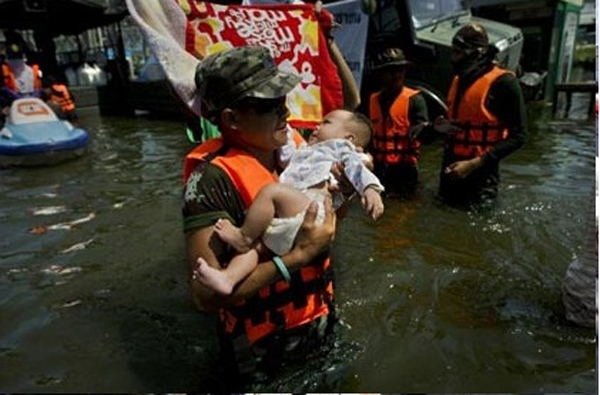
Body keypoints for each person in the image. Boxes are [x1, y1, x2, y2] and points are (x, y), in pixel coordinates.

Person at [183, 35, 360, 385]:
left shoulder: (298, 157)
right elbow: (205, 297)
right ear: (232, 118)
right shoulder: (211, 180)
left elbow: (317, 227)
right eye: (270, 106)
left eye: (283, 100)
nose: (287, 113)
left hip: (319, 320)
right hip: (262, 352)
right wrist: (298, 257)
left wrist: (344, 200)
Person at [194, 108, 384, 296]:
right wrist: (287, 131)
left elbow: (356, 167)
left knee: (271, 192)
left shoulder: (342, 150)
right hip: (293, 219)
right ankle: (228, 278)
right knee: (257, 249)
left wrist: (369, 188)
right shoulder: (308, 151)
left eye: (326, 122)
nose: (317, 126)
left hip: (310, 209)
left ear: (349, 138)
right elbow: (288, 155)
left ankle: (243, 236)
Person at [423, 22, 527, 206]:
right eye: (452, 52)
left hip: (481, 178)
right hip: (449, 174)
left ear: (477, 53)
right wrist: (437, 127)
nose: (452, 59)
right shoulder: (458, 80)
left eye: (457, 53)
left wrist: (474, 163)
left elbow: (519, 136)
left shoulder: (504, 83)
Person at [368, 47, 432, 196]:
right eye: (391, 71)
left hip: (404, 170)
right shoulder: (372, 100)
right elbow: (367, 133)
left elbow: (425, 134)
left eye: (400, 70)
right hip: (378, 168)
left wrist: (430, 129)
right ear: (382, 73)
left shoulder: (415, 100)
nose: (396, 75)